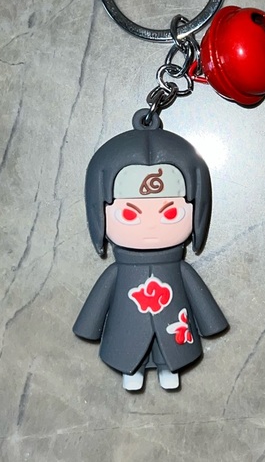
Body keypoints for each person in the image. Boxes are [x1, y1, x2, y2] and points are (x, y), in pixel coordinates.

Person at [73, 110, 228, 390]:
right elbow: (99, 301)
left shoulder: (179, 269)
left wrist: (211, 323)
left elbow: (199, 297)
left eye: (170, 214)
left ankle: (170, 368)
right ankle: (131, 371)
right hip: (125, 330)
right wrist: (89, 326)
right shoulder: (118, 272)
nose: (151, 226)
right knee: (130, 348)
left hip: (174, 328)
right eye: (129, 215)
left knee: (171, 348)